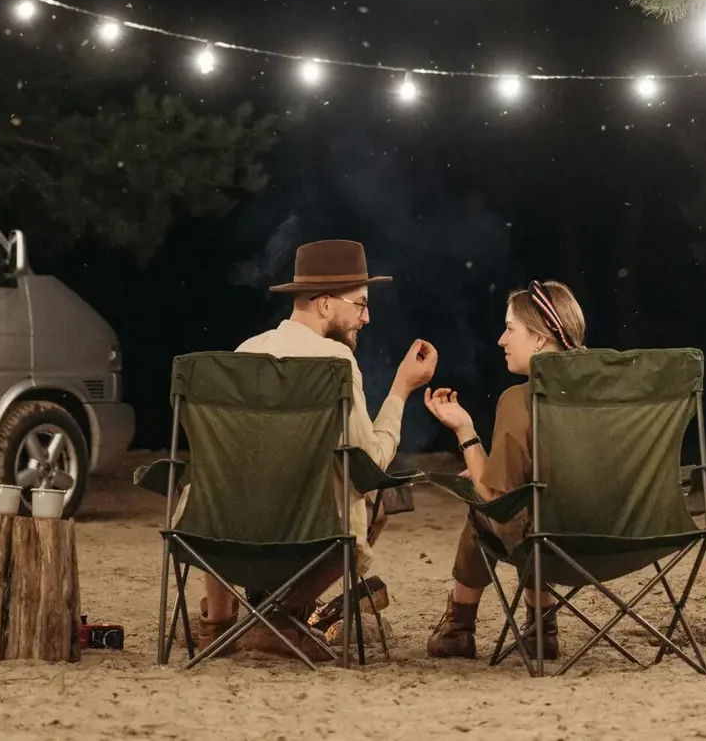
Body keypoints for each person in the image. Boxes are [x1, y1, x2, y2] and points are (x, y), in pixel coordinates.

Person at [195, 239, 438, 656]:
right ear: (326, 305)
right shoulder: (334, 363)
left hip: (226, 534)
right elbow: (369, 463)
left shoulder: (244, 353)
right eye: (360, 304)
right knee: (382, 492)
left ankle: (217, 623)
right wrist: (401, 388)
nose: (367, 316)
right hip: (308, 538)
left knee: (223, 479)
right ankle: (280, 617)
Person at [422, 280, 586, 660]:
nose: (500, 340)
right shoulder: (612, 391)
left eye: (510, 329)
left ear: (542, 339)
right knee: (529, 499)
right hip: (624, 534)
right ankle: (541, 628)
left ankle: (459, 627)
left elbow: (495, 496)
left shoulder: (520, 399)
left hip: (554, 543)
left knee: (486, 504)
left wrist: (465, 432)